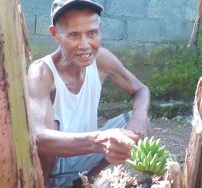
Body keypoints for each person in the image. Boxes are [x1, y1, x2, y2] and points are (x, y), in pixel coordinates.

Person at [27, 0, 150, 186]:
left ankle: (85, 180)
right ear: (55, 34)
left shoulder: (100, 58)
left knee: (138, 119)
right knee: (52, 125)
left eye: (92, 33)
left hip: (85, 153)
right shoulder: (42, 72)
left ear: (100, 28)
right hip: (53, 165)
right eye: (74, 35)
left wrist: (139, 119)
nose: (85, 45)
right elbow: (38, 138)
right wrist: (100, 140)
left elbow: (140, 89)